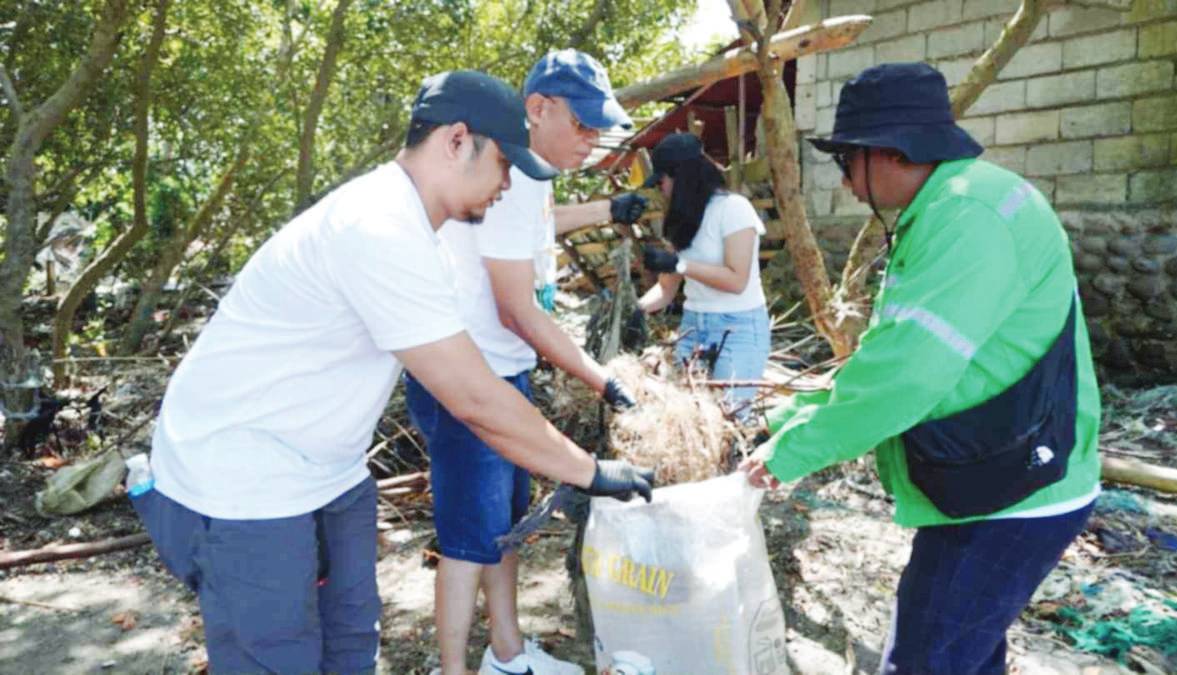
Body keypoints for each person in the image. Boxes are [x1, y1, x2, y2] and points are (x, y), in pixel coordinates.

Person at [131, 70, 653, 675]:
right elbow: (473, 398)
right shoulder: (375, 226)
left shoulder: (418, 229)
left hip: (329, 471)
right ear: (457, 142)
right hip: (244, 480)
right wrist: (589, 472)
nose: (508, 184)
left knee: (352, 640)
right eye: (505, 165)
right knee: (277, 658)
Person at [739, 62, 1101, 674]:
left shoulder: (967, 219)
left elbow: (906, 377)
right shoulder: (960, 203)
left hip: (1010, 496)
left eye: (846, 160)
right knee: (967, 656)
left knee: (924, 661)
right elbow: (897, 356)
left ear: (888, 153)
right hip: (994, 472)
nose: (847, 180)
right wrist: (789, 412)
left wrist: (784, 456)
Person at [409, 49, 648, 675]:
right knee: (468, 542)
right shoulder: (505, 168)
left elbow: (534, 229)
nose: (593, 142)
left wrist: (604, 211)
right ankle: (455, 669)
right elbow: (516, 309)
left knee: (505, 529)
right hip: (471, 380)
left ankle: (507, 653)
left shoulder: (532, 177)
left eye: (601, 129)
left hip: (502, 372)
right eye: (583, 125)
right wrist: (602, 378)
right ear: (537, 108)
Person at [633, 132, 770, 416]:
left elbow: (736, 280)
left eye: (662, 182)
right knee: (691, 415)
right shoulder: (681, 220)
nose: (662, 190)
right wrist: (634, 310)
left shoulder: (734, 209)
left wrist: (680, 265)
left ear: (682, 177)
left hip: (738, 327)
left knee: (728, 419)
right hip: (693, 324)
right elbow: (666, 289)